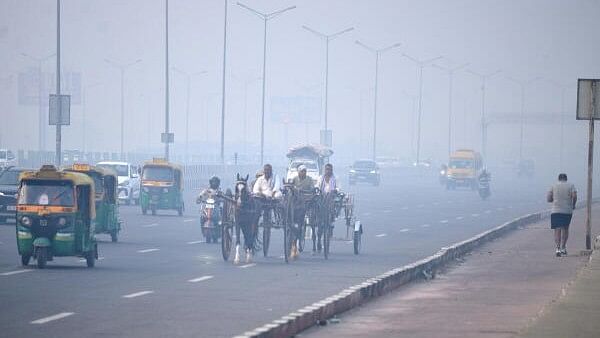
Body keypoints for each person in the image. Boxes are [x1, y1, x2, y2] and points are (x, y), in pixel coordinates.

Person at [547, 173, 577, 257]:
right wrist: (573, 204)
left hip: (555, 211)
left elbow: (549, 199)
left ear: (559, 179)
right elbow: (574, 196)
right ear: (566, 179)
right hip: (567, 211)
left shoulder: (553, 185)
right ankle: (563, 248)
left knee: (557, 229)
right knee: (565, 228)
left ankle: (557, 249)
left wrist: (554, 199)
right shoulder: (571, 185)